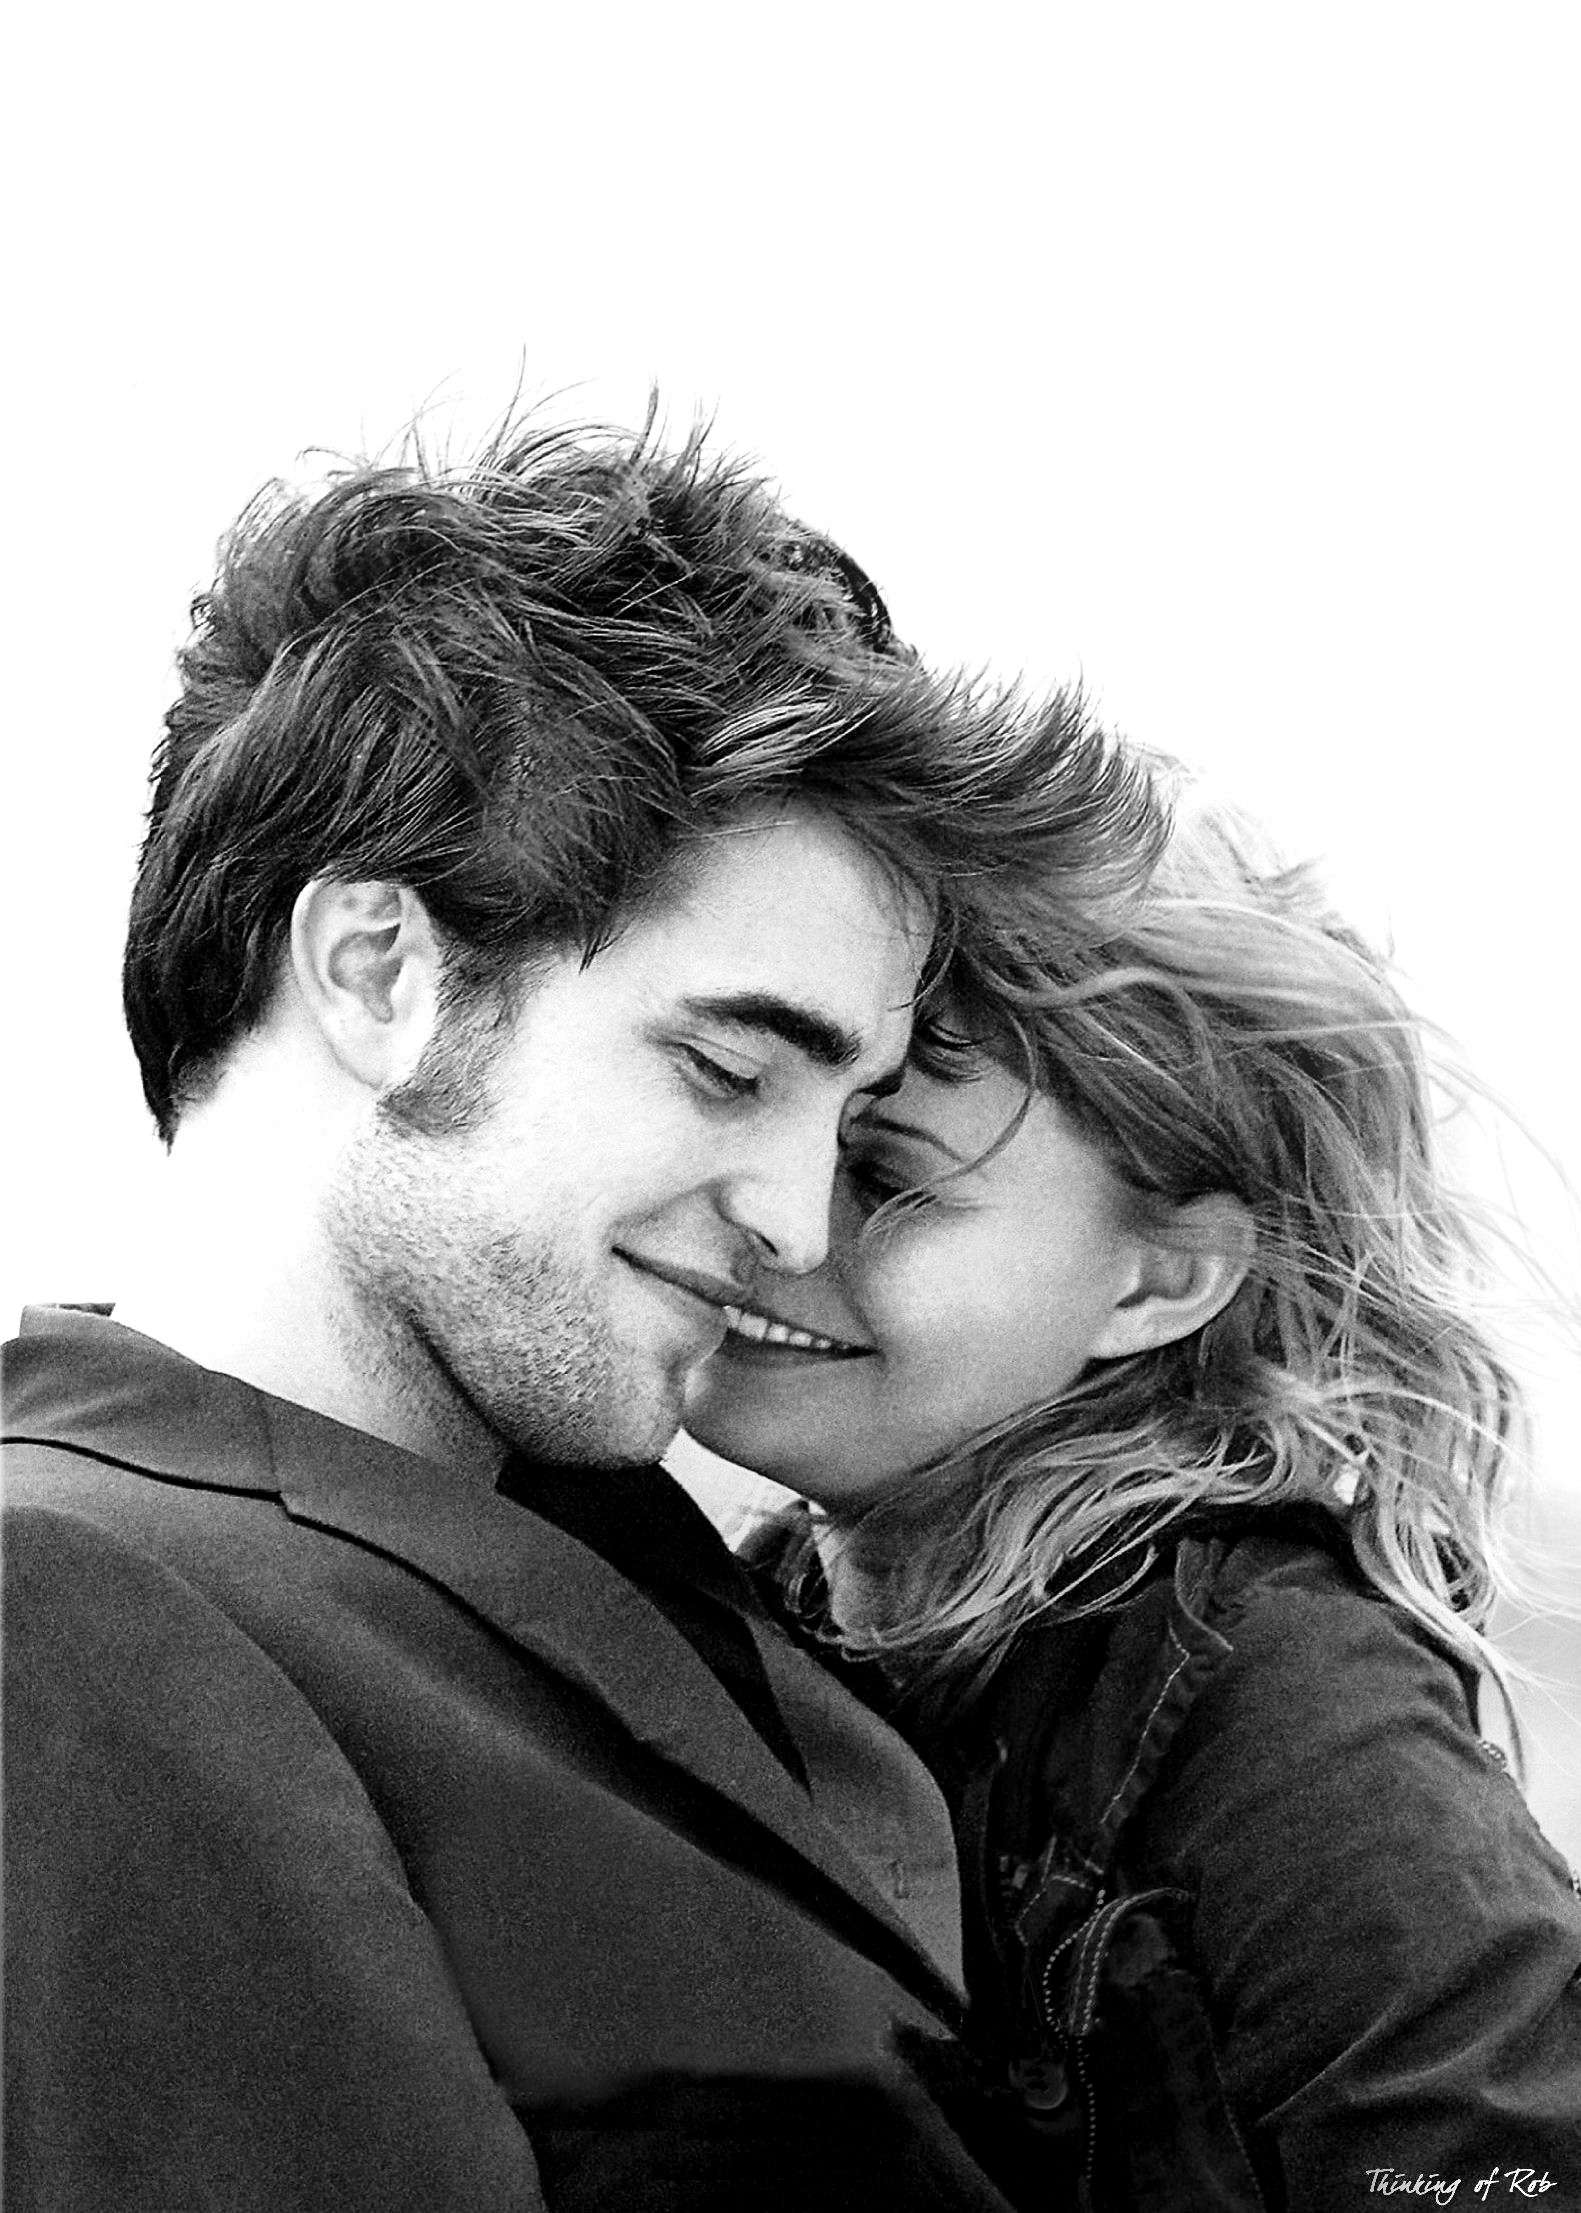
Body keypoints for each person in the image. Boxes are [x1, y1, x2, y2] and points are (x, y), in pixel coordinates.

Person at [1, 412, 1163, 2211]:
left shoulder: (623, 1538)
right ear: (379, 972)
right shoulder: (64, 1612)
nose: (798, 1221)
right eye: (725, 1070)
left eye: (851, 1121)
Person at [685, 773, 1581, 2208]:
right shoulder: (745, 1613)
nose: (779, 1217)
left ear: (1162, 1278)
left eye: (885, 1175)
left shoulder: (1286, 1701)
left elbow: (1492, 2178)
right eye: (760, 1104)